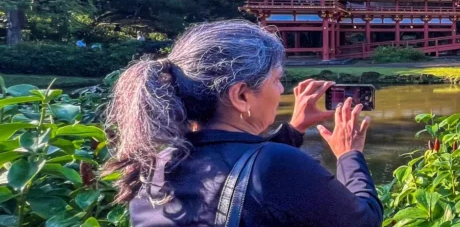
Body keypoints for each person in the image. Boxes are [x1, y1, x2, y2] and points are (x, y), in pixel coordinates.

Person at [106, 20, 381, 226]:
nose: (283, 90)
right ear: (240, 95)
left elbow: (236, 166)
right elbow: (365, 220)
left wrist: (293, 130)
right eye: (276, 79)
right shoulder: (277, 165)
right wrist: (349, 154)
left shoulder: (155, 166)